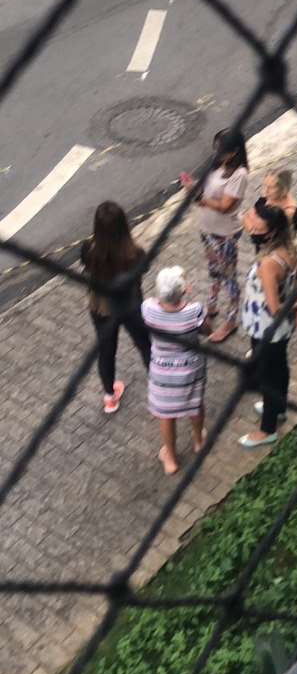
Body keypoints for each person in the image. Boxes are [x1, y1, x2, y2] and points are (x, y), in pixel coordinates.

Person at [238, 202, 297, 448]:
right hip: (283, 330)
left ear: (271, 232)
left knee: (267, 376)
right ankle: (279, 408)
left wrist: (293, 306)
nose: (252, 230)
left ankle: (267, 430)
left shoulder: (268, 263)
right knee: (279, 367)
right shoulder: (290, 249)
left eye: (257, 228)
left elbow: (274, 308)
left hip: (266, 328)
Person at [80, 201, 150, 414]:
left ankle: (110, 397)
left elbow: (86, 267)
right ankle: (159, 385)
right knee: (145, 343)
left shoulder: (88, 249)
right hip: (130, 304)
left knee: (106, 350)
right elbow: (142, 271)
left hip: (101, 306)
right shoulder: (135, 252)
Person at [142, 266, 212, 475]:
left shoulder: (148, 309)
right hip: (190, 367)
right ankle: (198, 441)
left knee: (166, 414)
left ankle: (170, 458)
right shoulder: (194, 311)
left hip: (162, 371)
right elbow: (207, 329)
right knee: (195, 404)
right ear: (183, 290)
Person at [181, 129, 249, 344]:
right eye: (216, 147)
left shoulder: (239, 174)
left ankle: (230, 320)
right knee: (214, 272)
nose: (216, 152)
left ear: (235, 151)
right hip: (207, 230)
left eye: (221, 149)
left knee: (229, 278)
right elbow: (206, 195)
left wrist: (202, 198)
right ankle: (211, 305)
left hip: (225, 234)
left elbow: (224, 206)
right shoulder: (217, 165)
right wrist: (193, 190)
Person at [259, 169, 297, 236]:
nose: (265, 191)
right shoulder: (270, 196)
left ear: (283, 188)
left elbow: (269, 233)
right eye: (265, 185)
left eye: (271, 187)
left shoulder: (288, 212)